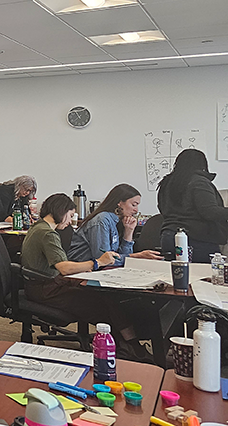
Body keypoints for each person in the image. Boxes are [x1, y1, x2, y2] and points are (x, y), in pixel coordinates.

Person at [21, 193, 149, 358]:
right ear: (61, 211)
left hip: (42, 283)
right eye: (70, 215)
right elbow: (64, 268)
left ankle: (128, 345)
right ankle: (129, 348)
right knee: (103, 303)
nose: (70, 221)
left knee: (102, 298)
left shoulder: (37, 227)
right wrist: (97, 263)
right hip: (45, 289)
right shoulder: (48, 234)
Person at [158, 149, 228, 262]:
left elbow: (162, 208)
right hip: (198, 239)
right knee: (205, 276)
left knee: (176, 275)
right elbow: (210, 212)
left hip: (168, 237)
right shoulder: (199, 182)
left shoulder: (166, 182)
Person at [68, 184, 163, 265]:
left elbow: (123, 259)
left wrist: (128, 232)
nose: (136, 210)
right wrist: (138, 256)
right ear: (120, 203)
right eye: (134, 205)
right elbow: (103, 260)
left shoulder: (117, 221)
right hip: (81, 269)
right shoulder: (102, 220)